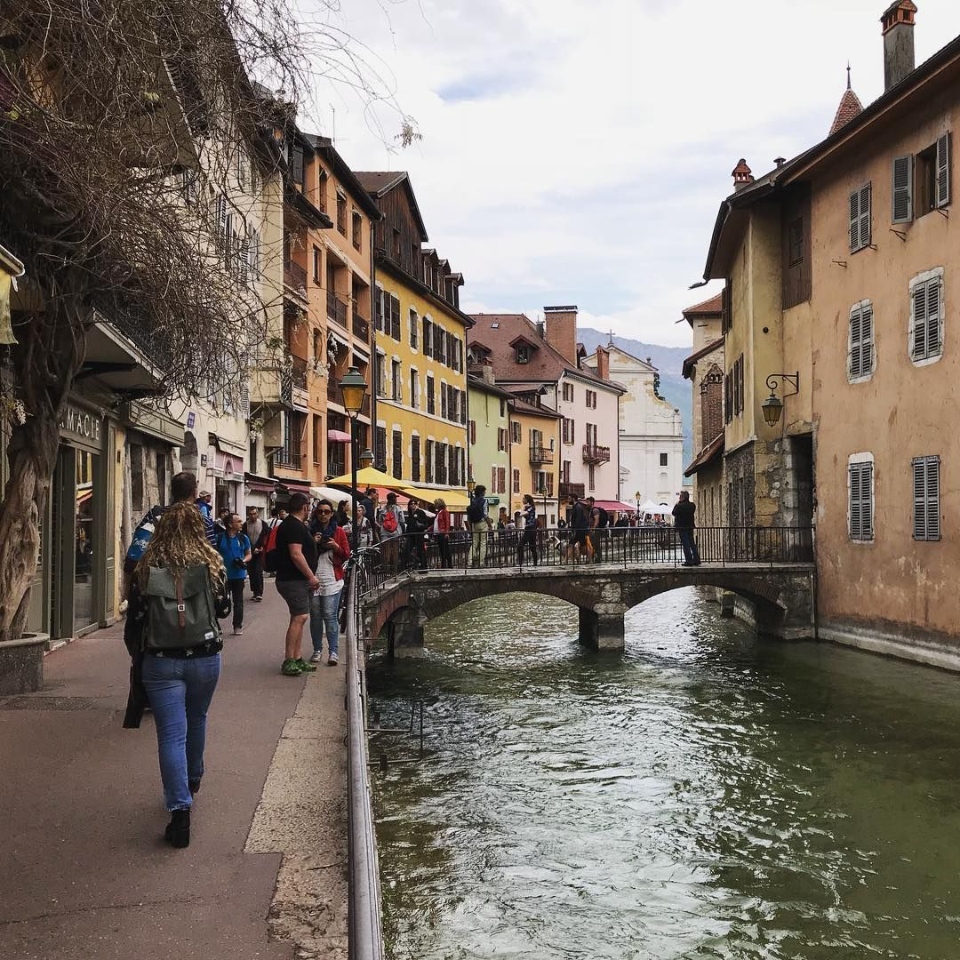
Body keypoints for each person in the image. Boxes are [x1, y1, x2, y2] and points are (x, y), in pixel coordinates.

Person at [124, 501, 226, 849]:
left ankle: (180, 813)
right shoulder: (210, 564)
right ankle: (193, 778)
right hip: (204, 657)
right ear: (199, 529)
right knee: (197, 719)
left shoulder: (147, 566)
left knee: (170, 735)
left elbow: (136, 616)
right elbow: (224, 608)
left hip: (161, 660)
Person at [123, 471, 216, 598]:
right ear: (194, 493)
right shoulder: (202, 521)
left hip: (157, 592)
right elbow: (212, 557)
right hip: (193, 596)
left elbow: (133, 558)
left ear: (172, 492)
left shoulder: (155, 515)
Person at [274, 492, 321, 676]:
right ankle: (289, 659)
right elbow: (296, 554)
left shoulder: (296, 525)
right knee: (299, 617)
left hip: (296, 579)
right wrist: (311, 576)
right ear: (305, 507)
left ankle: (297, 657)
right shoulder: (293, 526)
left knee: (299, 617)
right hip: (293, 579)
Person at [308, 499, 350, 665]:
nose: (323, 515)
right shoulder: (310, 530)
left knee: (330, 615)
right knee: (316, 616)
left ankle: (333, 652)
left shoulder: (339, 531)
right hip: (314, 577)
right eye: (320, 512)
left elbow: (346, 553)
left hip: (332, 578)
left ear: (332, 513)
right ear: (316, 513)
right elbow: (303, 553)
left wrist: (335, 546)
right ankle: (317, 650)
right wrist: (314, 542)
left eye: (326, 511)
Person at [216, 513, 251, 635]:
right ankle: (216, 626)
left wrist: (243, 560)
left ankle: (237, 626)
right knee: (219, 601)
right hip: (223, 576)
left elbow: (248, 554)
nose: (241, 523)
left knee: (238, 602)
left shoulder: (243, 538)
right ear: (230, 524)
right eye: (238, 521)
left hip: (239, 575)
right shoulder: (219, 538)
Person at [242, 506, 267, 602]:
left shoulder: (263, 524)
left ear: (258, 514)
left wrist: (261, 547)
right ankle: (254, 592)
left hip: (259, 552)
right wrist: (252, 549)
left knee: (258, 572)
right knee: (251, 572)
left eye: (254, 514)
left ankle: (259, 592)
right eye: (250, 514)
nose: (252, 516)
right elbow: (244, 538)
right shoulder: (245, 525)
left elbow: (266, 536)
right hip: (249, 552)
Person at [672, 491, 701, 566]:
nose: (679, 498)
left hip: (682, 527)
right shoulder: (692, 505)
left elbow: (674, 512)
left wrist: (678, 503)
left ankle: (689, 560)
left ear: (683, 497)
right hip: (690, 526)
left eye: (680, 496)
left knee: (686, 544)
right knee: (692, 543)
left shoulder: (679, 506)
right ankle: (696, 559)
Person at [377, 492, 405, 570]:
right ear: (393, 499)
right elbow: (402, 520)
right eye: (395, 498)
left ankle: (386, 569)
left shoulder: (383, 509)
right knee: (396, 551)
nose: (396, 499)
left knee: (386, 551)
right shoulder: (398, 508)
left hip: (385, 533)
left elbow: (380, 521)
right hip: (396, 532)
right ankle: (395, 570)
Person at [404, 498, 431, 571]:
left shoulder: (420, 512)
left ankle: (423, 566)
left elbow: (425, 522)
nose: (413, 505)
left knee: (420, 550)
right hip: (411, 534)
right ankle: (411, 564)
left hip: (418, 534)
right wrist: (406, 534)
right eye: (411, 504)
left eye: (414, 503)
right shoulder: (410, 514)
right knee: (407, 549)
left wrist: (418, 519)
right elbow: (409, 525)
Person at [468, 484, 491, 567]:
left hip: (474, 524)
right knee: (483, 543)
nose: (485, 492)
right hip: (482, 523)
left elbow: (469, 515)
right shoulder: (484, 501)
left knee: (474, 543)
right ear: (482, 492)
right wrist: (490, 525)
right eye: (484, 491)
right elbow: (485, 515)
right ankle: (481, 562)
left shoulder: (473, 500)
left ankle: (469, 562)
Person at [518, 493, 539, 566]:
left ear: (527, 500)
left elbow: (521, 514)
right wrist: (524, 508)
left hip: (530, 528)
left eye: (524, 499)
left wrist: (523, 508)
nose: (522, 500)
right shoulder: (529, 507)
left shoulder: (531, 507)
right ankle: (535, 564)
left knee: (520, 545)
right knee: (532, 547)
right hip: (530, 528)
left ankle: (521, 563)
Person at [433, 498, 452, 569]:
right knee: (442, 550)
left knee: (445, 550)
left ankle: (448, 565)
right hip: (438, 533)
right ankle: (444, 565)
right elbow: (435, 523)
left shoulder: (444, 512)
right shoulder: (439, 513)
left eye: (436, 504)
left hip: (442, 533)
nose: (434, 505)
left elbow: (447, 522)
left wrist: (446, 533)